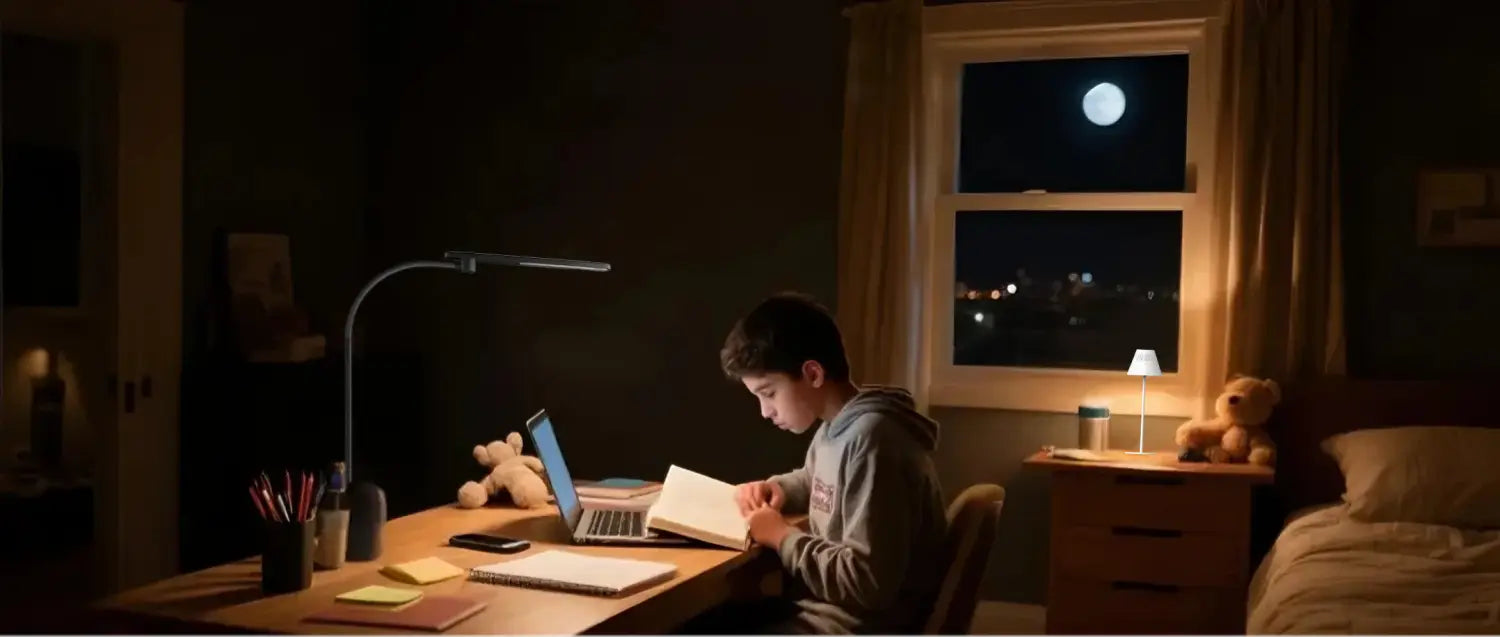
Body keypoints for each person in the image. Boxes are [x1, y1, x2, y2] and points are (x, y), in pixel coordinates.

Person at [684, 292, 948, 634]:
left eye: (768, 393)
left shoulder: (872, 441)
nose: (765, 412)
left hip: (855, 625)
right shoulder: (836, 429)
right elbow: (817, 481)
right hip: (828, 611)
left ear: (812, 373)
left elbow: (867, 583)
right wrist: (776, 488)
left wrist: (782, 537)